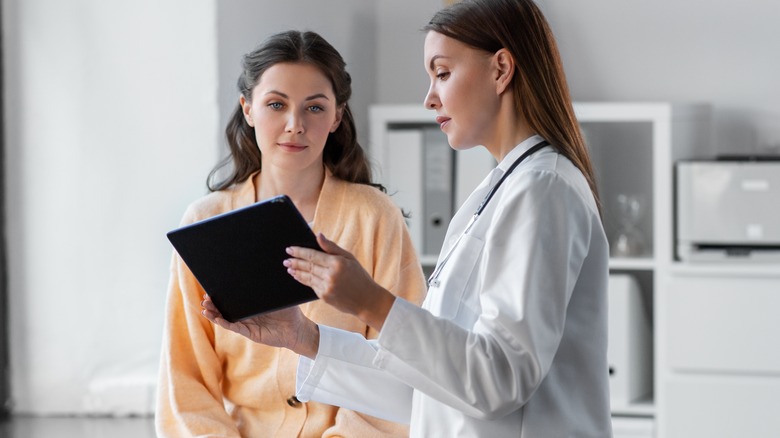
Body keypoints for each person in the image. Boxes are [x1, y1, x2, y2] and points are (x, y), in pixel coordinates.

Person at [203, 0, 612, 436]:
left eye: (442, 73)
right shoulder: (500, 190)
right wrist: (303, 337)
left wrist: (371, 302)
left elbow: (499, 381)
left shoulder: (542, 189)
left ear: (501, 69)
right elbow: (429, 389)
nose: (429, 97)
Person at [157, 30, 427, 437]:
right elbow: (185, 383)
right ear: (248, 109)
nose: (295, 125)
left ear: (337, 116)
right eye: (276, 104)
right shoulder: (203, 224)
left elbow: (405, 362)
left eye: (315, 108)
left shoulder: (375, 218)